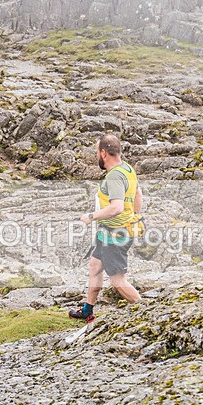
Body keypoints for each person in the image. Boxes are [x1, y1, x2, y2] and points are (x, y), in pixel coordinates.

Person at [69, 134, 143, 323]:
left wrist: (91, 217)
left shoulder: (114, 176)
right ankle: (87, 310)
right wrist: (136, 217)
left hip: (115, 236)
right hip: (108, 232)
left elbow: (116, 207)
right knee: (95, 266)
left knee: (118, 281)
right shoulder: (127, 169)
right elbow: (137, 193)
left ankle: (148, 312)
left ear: (103, 153)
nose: (96, 155)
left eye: (96, 152)